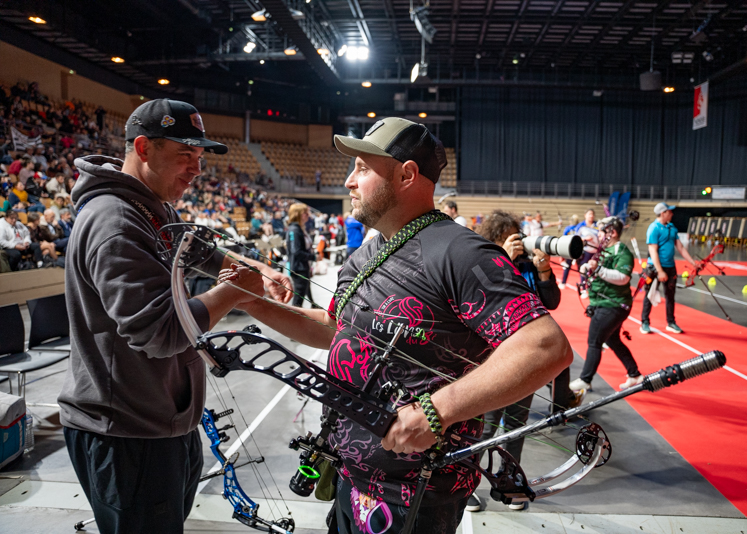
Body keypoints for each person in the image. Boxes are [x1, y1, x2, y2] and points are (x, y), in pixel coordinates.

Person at [236, 118, 572, 534]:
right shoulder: (365, 255)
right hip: (349, 474)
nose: (349, 182)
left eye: (361, 167)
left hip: (417, 493)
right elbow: (333, 329)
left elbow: (545, 347)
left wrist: (438, 410)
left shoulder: (461, 251)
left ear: (407, 174)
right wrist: (251, 302)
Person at [57, 99, 292, 534]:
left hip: (161, 423)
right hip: (125, 431)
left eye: (199, 157)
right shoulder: (116, 222)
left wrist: (258, 269)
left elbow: (201, 251)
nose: (197, 169)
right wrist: (235, 292)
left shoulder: (153, 208)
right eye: (185, 155)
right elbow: (161, 331)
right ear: (144, 148)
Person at [470, 210, 582, 512]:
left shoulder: (527, 266)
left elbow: (551, 303)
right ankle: (463, 482)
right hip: (494, 358)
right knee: (487, 426)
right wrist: (502, 260)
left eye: (517, 237)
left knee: (518, 426)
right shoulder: (481, 263)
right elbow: (488, 295)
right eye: (509, 238)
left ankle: (509, 484)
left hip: (528, 357)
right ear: (494, 240)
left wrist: (544, 273)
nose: (518, 244)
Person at [570, 217, 643, 392]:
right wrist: (587, 267)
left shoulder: (621, 251)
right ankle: (635, 375)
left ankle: (585, 380)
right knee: (613, 340)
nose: (599, 235)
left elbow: (623, 278)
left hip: (613, 304)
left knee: (594, 341)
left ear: (613, 233)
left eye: (602, 231)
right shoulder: (605, 250)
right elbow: (598, 270)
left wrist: (597, 270)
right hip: (603, 303)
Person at [640, 203, 697, 334]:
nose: (672, 214)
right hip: (654, 268)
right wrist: (660, 271)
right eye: (669, 212)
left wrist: (693, 262)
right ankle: (645, 322)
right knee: (650, 295)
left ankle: (671, 322)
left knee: (670, 296)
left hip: (671, 267)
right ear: (662, 213)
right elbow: (653, 251)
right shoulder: (653, 228)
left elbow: (680, 247)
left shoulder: (672, 228)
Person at [286, 202, 317, 307]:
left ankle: (313, 304)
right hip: (299, 268)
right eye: (305, 213)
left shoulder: (299, 228)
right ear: (297, 214)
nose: (308, 215)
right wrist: (314, 257)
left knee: (304, 290)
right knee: (298, 300)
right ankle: (294, 321)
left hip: (303, 266)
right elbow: (296, 252)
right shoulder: (294, 230)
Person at [559, 209, 596, 290]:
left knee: (582, 268)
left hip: (590, 251)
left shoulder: (595, 225)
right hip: (573, 250)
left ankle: (584, 287)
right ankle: (563, 282)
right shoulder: (577, 227)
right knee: (569, 266)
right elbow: (572, 238)